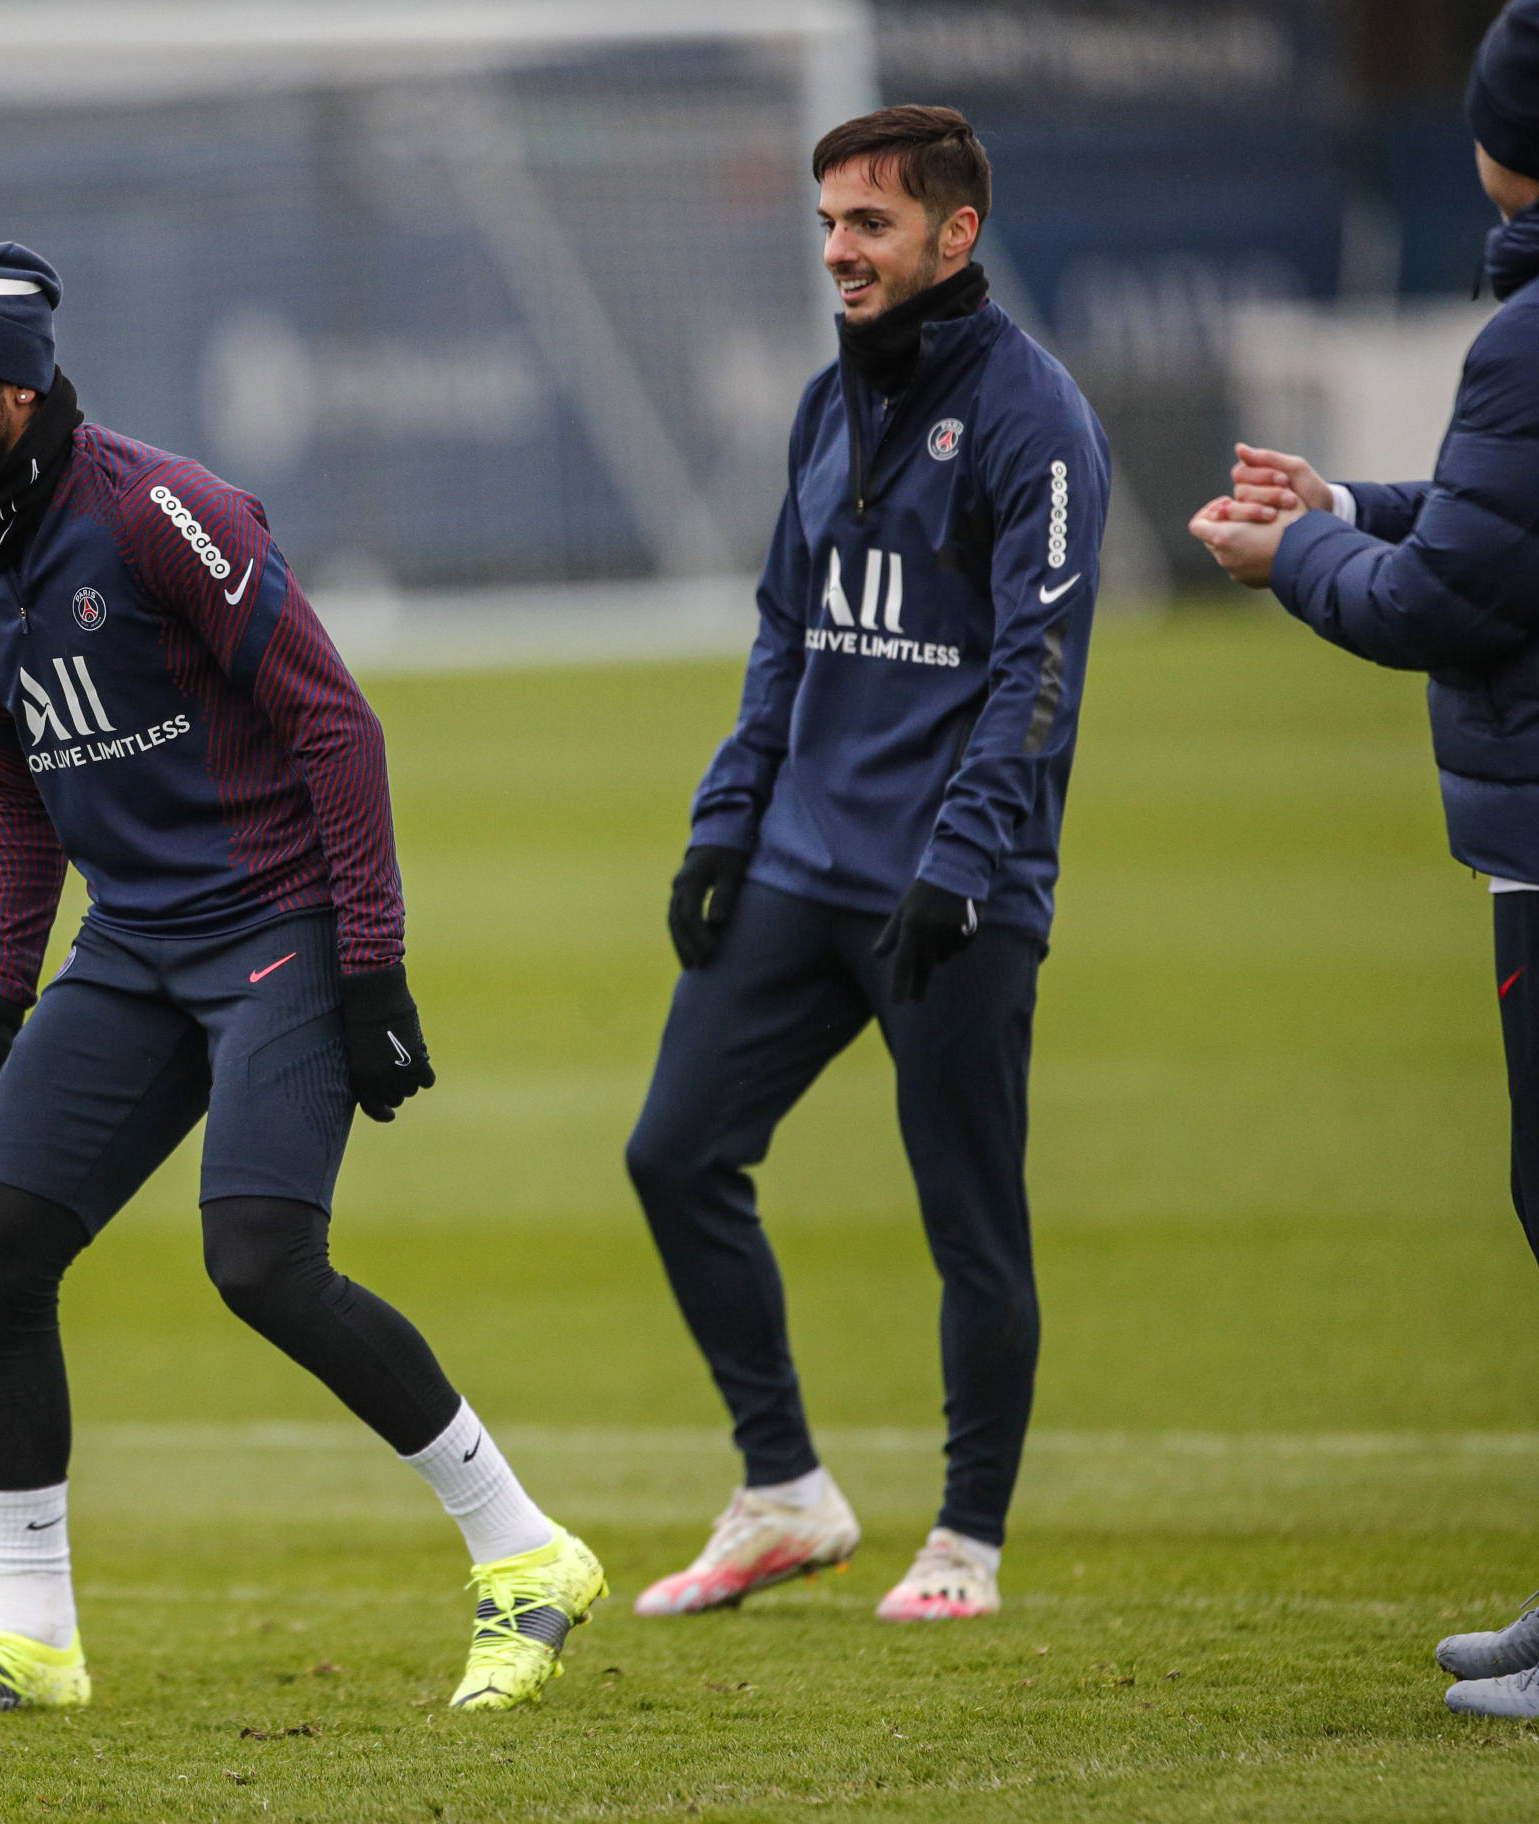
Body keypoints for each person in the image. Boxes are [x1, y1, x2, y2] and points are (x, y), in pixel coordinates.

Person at [0, 238, 605, 1722]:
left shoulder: (162, 511)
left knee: (261, 1260)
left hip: (281, 929)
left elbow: (337, 726)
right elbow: (18, 796)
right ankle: (34, 1640)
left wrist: (373, 970)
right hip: (132, 949)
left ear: (16, 387)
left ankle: (528, 1555)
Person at [623, 106, 1108, 1625]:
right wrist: (725, 820)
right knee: (674, 1152)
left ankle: (966, 1544)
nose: (839, 248)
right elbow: (789, 625)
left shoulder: (1037, 419)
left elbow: (1036, 668)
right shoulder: (825, 401)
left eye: (871, 224)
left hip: (956, 886)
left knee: (969, 1219)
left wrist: (964, 858)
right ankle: (786, 1494)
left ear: (955, 234)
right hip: (803, 860)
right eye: (830, 221)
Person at [1188, 0, 1539, 1722]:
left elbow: (1452, 600)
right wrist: (1345, 509)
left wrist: (1298, 560)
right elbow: (1495, 536)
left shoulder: (1528, 341)